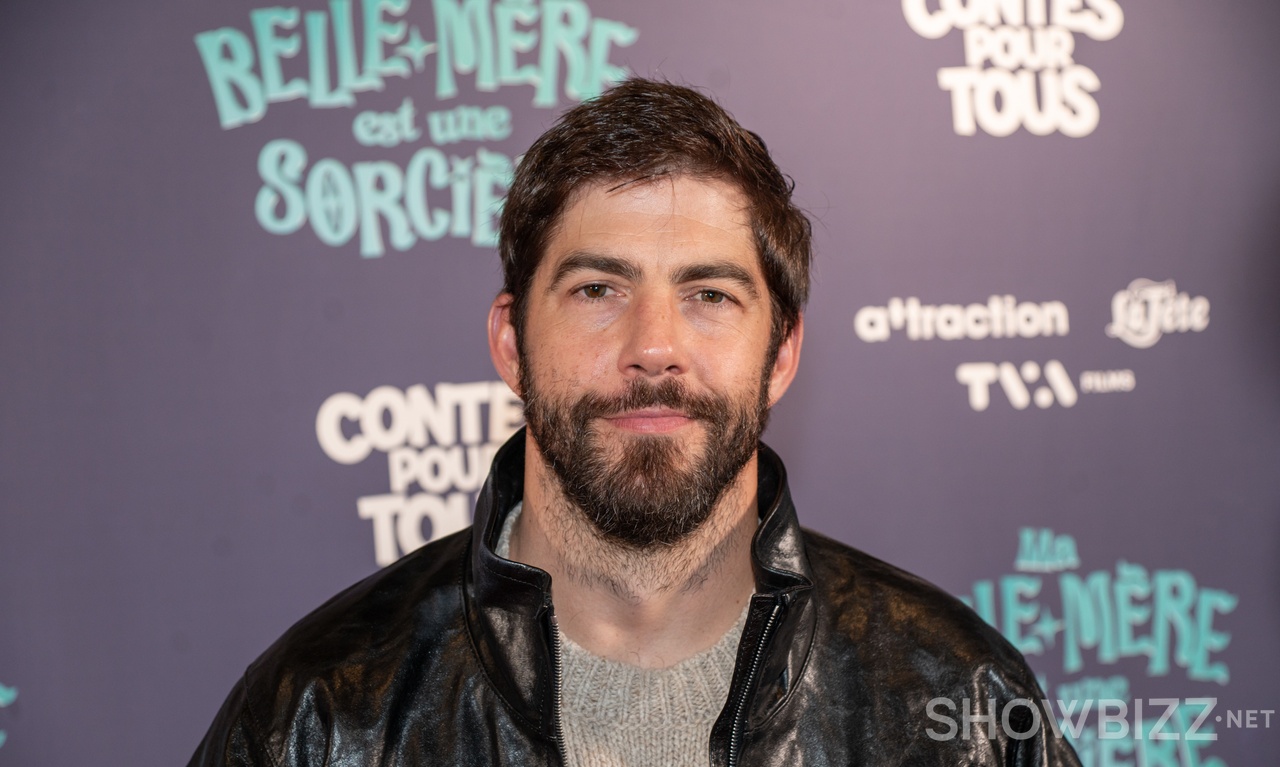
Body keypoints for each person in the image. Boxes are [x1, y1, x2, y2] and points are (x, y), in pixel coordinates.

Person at [190, 79, 1081, 767]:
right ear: (511, 341)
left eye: (709, 295)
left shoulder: (964, 707)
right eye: (598, 290)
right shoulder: (318, 717)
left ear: (781, 352)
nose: (654, 348)